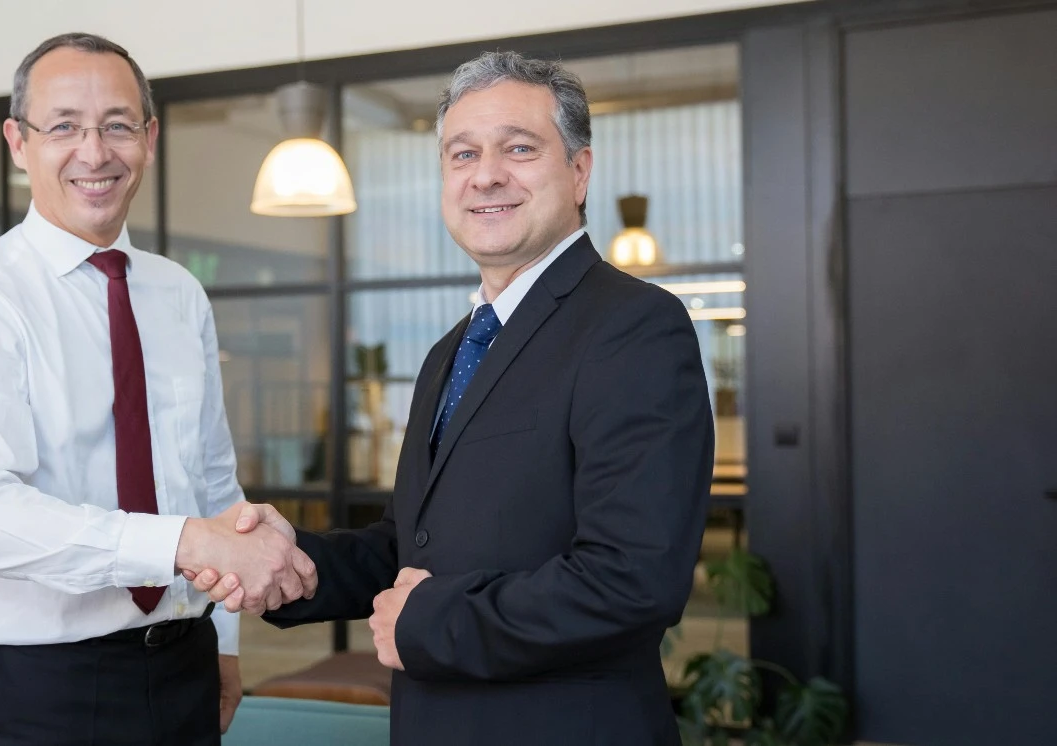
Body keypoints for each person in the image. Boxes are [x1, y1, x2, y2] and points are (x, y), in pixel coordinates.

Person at [191, 51, 714, 745]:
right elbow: (414, 546)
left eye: (519, 149)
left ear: (579, 171)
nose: (486, 174)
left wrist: (426, 620)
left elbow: (632, 581)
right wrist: (299, 566)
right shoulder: (454, 350)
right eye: (462, 154)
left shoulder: (634, 326)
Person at [0, 32, 314, 746]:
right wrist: (180, 543)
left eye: (118, 125)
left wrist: (223, 642)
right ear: (17, 141)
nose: (94, 153)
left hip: (185, 667)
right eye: (63, 126)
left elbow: (214, 485)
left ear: (149, 139)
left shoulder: (179, 293)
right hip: (46, 689)